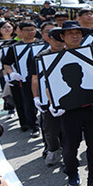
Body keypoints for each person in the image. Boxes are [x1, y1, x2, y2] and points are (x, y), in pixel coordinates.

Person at [50, 20, 93, 186]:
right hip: (69, 110)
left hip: (92, 107)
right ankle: (72, 173)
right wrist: (53, 103)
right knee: (70, 146)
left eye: (78, 33)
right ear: (62, 37)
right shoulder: (55, 58)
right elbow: (50, 83)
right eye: (70, 34)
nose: (75, 36)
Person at [0, 19, 42, 137]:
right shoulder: (14, 47)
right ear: (20, 32)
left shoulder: (42, 44)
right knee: (28, 104)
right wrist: (12, 74)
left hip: (42, 79)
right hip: (25, 80)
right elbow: (6, 64)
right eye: (27, 30)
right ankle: (34, 126)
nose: (30, 32)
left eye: (32, 30)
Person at [32, 21, 64, 167]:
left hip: (68, 97)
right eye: (56, 39)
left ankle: (67, 155)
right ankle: (52, 149)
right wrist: (36, 97)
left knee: (69, 130)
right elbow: (35, 79)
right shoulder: (40, 57)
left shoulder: (71, 54)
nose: (59, 42)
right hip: (48, 99)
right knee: (50, 128)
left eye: (61, 39)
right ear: (49, 39)